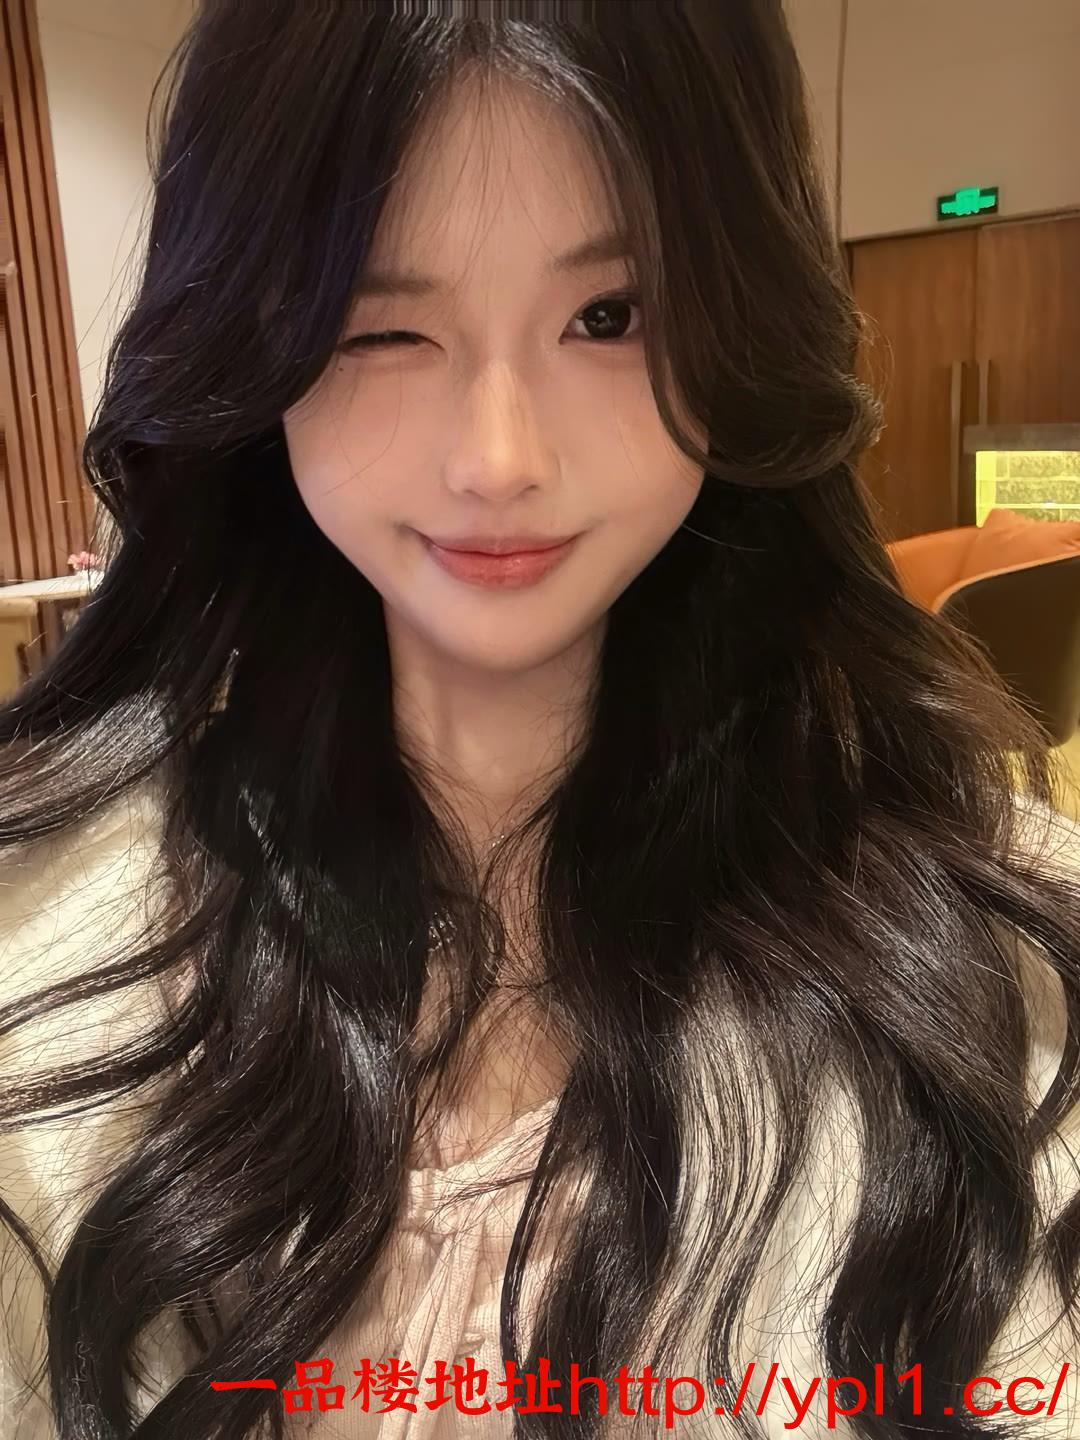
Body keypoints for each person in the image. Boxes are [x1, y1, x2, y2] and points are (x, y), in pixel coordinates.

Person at [1, 2, 1079, 1436]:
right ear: (257, 348)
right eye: (381, 325)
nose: (498, 459)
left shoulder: (1004, 972)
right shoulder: (52, 949)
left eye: (608, 316)